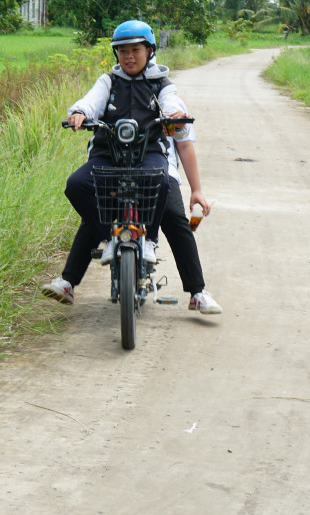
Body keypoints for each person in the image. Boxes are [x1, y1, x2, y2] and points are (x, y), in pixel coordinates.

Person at [41, 19, 221, 315]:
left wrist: (176, 115)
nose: (128, 56)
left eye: (135, 49)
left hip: (151, 158)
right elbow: (90, 102)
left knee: (172, 211)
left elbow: (176, 117)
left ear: (149, 50)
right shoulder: (108, 82)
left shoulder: (161, 84)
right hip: (108, 158)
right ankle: (75, 276)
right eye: (122, 50)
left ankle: (196, 290)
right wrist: (79, 113)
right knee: (78, 188)